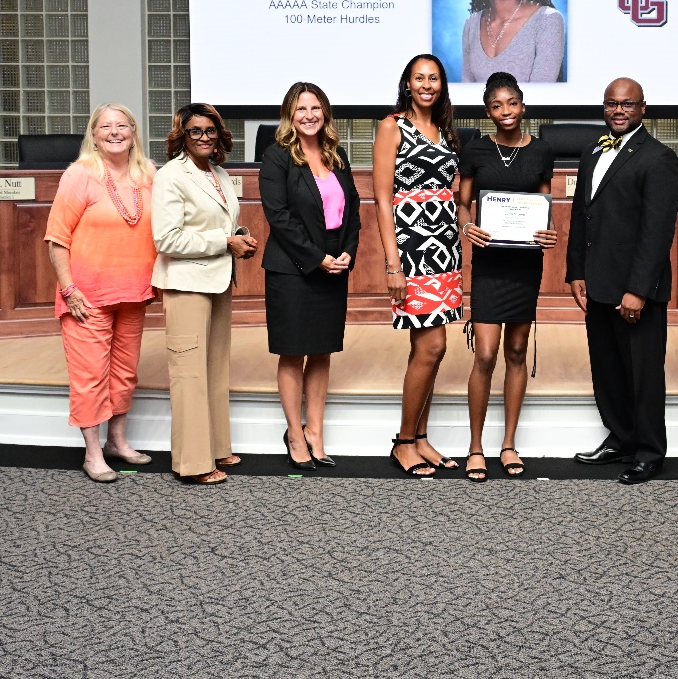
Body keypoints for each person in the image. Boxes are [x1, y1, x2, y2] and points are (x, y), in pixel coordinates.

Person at [566, 77, 678, 484]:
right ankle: (620, 438)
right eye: (612, 104)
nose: (618, 110)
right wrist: (575, 271)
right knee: (609, 369)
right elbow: (584, 215)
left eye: (627, 104)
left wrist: (638, 290)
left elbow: (657, 233)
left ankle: (649, 452)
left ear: (643, 108)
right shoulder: (592, 149)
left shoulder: (659, 158)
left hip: (637, 290)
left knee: (644, 373)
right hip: (597, 284)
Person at [44, 103, 158, 483]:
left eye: (122, 125)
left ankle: (118, 442)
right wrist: (69, 288)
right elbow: (57, 239)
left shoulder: (148, 175)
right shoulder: (80, 175)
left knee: (124, 374)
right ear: (93, 135)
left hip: (134, 292)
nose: (114, 132)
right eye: (105, 126)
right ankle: (93, 453)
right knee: (90, 376)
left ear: (133, 133)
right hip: (85, 297)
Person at [456, 72, 557, 482]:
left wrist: (548, 232)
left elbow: (545, 205)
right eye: (496, 106)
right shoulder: (476, 150)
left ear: (523, 105)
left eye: (511, 103)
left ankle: (509, 443)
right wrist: (467, 228)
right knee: (485, 354)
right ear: (488, 111)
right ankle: (475, 446)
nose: (505, 112)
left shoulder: (542, 151)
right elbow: (463, 203)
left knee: (516, 351)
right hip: (489, 264)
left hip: (524, 265)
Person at [152, 102, 259, 485]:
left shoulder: (219, 172)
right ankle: (192, 463)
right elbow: (166, 238)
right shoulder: (170, 176)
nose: (203, 137)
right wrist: (224, 242)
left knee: (214, 369)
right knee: (189, 374)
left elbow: (217, 224)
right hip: (185, 285)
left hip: (216, 281)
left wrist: (240, 236)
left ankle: (216, 447)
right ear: (182, 135)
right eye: (195, 131)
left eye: (210, 131)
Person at [260, 82, 360, 472]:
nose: (309, 115)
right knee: (293, 351)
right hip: (293, 270)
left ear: (326, 112)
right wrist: (317, 258)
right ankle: (295, 434)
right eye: (301, 108)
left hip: (334, 268)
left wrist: (347, 251)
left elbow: (352, 211)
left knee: (321, 351)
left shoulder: (338, 155)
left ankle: (315, 431)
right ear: (290, 114)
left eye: (316, 107)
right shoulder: (276, 157)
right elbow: (279, 217)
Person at [373, 54, 464, 476]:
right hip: (412, 250)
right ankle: (403, 441)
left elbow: (455, 193)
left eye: (434, 78)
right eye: (418, 78)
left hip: (444, 248)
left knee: (429, 350)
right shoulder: (393, 126)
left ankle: (422, 437)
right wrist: (393, 264)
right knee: (432, 346)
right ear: (407, 84)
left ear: (442, 86)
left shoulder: (445, 130)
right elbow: (382, 198)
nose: (426, 84)